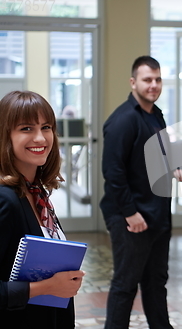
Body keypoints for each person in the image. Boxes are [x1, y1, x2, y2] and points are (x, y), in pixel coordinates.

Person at [100, 55, 182, 329]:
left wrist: (174, 167)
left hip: (158, 214)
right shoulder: (123, 120)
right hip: (132, 217)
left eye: (157, 79)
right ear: (133, 82)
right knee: (125, 285)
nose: (153, 85)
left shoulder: (156, 114)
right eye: (147, 79)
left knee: (155, 283)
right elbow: (113, 171)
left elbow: (157, 156)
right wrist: (130, 213)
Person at [0, 90, 85, 328]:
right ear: (5, 136)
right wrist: (48, 287)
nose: (40, 138)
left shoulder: (36, 192)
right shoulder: (6, 200)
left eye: (46, 127)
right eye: (26, 129)